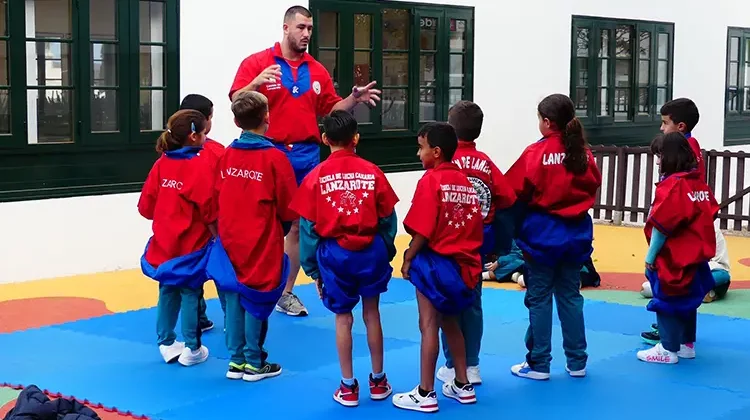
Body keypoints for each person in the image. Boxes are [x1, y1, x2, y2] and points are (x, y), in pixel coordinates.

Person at [228, 5, 381, 317]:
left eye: (310, 29)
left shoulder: (317, 70)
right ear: (286, 28)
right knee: (259, 222)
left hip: (305, 155)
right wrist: (256, 83)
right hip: (266, 152)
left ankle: (285, 292)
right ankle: (248, 287)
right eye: (301, 28)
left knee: (298, 225)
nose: (307, 34)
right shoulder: (257, 63)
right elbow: (235, 100)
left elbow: (331, 109)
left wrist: (354, 99)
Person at [289, 110, 399, 407]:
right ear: (356, 138)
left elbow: (308, 231)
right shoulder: (373, 172)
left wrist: (313, 270)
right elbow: (389, 219)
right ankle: (378, 381)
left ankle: (348, 386)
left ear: (324, 139)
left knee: (342, 319)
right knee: (372, 314)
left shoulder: (315, 177)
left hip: (335, 256)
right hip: (371, 251)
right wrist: (384, 250)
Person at [504, 93, 602, 380]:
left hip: (542, 236)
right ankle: (577, 362)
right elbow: (592, 186)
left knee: (540, 298)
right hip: (576, 236)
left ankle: (539, 364)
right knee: (571, 297)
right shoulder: (583, 153)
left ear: (546, 122)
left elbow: (512, 192)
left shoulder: (535, 154)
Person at [205, 91, 298, 381]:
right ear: (267, 117)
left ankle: (236, 361)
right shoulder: (276, 158)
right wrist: (279, 230)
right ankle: (255, 362)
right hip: (262, 238)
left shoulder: (227, 155)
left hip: (231, 236)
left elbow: (216, 197)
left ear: (235, 120)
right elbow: (288, 205)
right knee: (257, 296)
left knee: (233, 295)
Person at [392, 122, 481, 413]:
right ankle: (463, 384)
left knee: (429, 324)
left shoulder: (431, 181)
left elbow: (423, 229)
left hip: (436, 264)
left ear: (437, 152)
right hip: (463, 266)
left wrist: (407, 259)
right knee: (451, 322)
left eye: (422, 148)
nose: (419, 154)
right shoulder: (466, 183)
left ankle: (426, 392)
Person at [435, 100, 516, 386]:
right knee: (473, 302)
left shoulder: (442, 160)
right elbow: (507, 198)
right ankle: (472, 365)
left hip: (446, 242)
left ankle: (449, 363)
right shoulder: (486, 162)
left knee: (447, 303)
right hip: (478, 242)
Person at [137, 110, 216, 367]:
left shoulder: (161, 164)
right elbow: (209, 210)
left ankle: (167, 343)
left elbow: (145, 207)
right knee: (191, 291)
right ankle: (192, 347)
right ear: (194, 136)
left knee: (167, 289)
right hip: (191, 245)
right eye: (204, 132)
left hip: (164, 243)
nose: (206, 136)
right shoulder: (198, 166)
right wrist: (219, 237)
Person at [636, 132, 718, 364]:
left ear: (669, 157)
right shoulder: (698, 183)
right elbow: (710, 211)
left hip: (675, 256)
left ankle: (668, 348)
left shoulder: (673, 186)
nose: (659, 162)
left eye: (660, 156)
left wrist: (650, 256)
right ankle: (686, 344)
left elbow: (662, 225)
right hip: (696, 254)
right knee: (689, 299)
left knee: (667, 299)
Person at [178, 93, 226, 332]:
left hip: (183, 223)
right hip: (213, 221)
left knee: (189, 277)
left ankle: (199, 317)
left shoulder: (168, 150)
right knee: (222, 270)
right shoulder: (217, 151)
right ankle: (232, 321)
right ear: (206, 120)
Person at [640, 227, 732, 344]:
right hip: (691, 269)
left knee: (676, 289)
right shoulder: (696, 220)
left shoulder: (691, 224)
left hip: (701, 270)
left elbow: (661, 231)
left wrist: (650, 259)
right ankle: (682, 340)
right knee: (679, 288)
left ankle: (668, 337)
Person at [660, 98, 705, 181]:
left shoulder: (684, 147)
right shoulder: (691, 143)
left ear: (681, 126)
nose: (661, 128)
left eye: (665, 123)